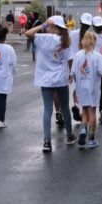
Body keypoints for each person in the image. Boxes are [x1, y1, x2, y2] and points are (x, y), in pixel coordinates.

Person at [26, 15, 77, 152]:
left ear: (54, 26)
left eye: (49, 25)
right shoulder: (66, 40)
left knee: (48, 109)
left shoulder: (44, 39)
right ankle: (70, 135)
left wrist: (42, 25)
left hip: (46, 79)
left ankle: (47, 141)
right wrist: (71, 73)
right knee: (65, 107)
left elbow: (28, 33)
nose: (47, 28)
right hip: (61, 79)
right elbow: (70, 59)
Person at [71, 31, 102, 148]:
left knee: (84, 110)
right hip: (93, 87)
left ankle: (82, 131)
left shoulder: (77, 55)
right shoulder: (97, 56)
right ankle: (91, 140)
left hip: (81, 87)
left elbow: (74, 73)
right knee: (92, 111)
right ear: (94, 41)